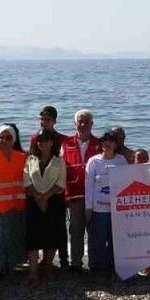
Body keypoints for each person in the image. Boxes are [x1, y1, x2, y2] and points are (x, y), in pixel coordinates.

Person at [24, 129, 67, 280]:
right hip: (34, 200)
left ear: (52, 143)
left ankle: (48, 267)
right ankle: (33, 271)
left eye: (46, 140)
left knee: (51, 236)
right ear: (37, 143)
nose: (43, 143)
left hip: (53, 201)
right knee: (33, 237)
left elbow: (61, 183)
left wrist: (45, 197)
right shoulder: (30, 160)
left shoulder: (59, 161)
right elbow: (26, 181)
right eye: (40, 140)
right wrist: (38, 197)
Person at [0, 126, 27, 280]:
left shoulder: (22, 157)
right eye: (1, 137)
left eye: (8, 138)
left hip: (19, 203)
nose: (4, 140)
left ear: (13, 140)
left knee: (16, 234)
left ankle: (14, 264)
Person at [61, 109, 100, 272]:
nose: (83, 125)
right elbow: (61, 170)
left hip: (95, 196)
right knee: (76, 231)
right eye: (80, 121)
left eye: (86, 122)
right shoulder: (66, 143)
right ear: (74, 123)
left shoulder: (99, 144)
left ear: (92, 124)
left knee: (94, 232)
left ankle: (95, 264)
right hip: (75, 195)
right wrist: (64, 195)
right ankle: (76, 264)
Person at [84, 131, 127, 274]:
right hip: (98, 209)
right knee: (98, 239)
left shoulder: (121, 160)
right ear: (101, 143)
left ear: (115, 144)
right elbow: (88, 186)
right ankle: (96, 267)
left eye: (111, 141)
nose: (107, 144)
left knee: (115, 240)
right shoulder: (93, 161)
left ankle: (113, 266)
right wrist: (88, 208)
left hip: (117, 209)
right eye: (104, 141)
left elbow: (126, 183)